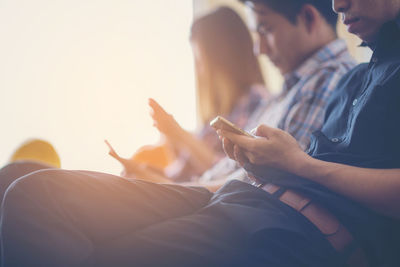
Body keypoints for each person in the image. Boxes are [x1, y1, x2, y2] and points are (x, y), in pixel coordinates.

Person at [1, 0, 400, 267]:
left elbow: (308, 171)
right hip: (240, 197)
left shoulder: (334, 76)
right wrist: (278, 164)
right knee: (30, 192)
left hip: (276, 220)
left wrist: (299, 165)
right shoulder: (355, 79)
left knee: (85, 242)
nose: (338, 4)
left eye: (265, 30)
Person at [123, 0, 356, 188]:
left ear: (308, 18)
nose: (260, 50)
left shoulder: (327, 80)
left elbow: (264, 182)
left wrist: (171, 189)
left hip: (225, 205)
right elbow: (235, 169)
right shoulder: (289, 89)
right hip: (209, 193)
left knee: (95, 195)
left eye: (266, 29)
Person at [123, 7, 266, 182]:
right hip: (186, 192)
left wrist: (180, 135)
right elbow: (178, 174)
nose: (200, 72)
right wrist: (151, 171)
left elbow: (231, 172)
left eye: (200, 62)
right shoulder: (216, 114)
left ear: (223, 59)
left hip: (208, 197)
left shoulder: (257, 102)